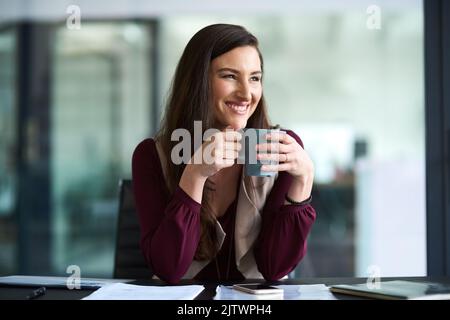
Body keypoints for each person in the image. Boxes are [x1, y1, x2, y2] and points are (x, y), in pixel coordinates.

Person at [132, 24, 316, 284]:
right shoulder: (151, 155)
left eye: (254, 78)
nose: (246, 93)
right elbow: (169, 269)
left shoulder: (279, 148)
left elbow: (274, 269)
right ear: (198, 81)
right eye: (230, 76)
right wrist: (194, 175)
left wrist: (304, 180)